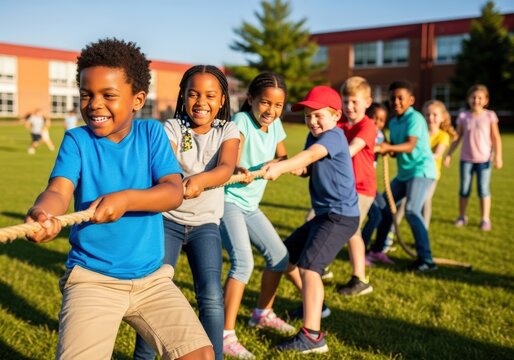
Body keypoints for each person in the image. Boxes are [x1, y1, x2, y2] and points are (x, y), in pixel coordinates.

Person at [24, 38, 213, 360]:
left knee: (199, 355)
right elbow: (58, 190)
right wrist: (43, 212)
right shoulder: (77, 140)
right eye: (87, 95)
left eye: (108, 95)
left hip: (152, 280)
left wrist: (126, 199)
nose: (95, 104)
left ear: (137, 99)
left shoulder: (152, 134)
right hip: (92, 281)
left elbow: (172, 192)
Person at [134, 65, 240, 360]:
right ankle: (143, 357)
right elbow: (163, 163)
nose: (200, 102)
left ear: (222, 100)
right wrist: (176, 184)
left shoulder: (228, 130)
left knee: (211, 297)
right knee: (153, 294)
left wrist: (200, 180)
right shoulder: (172, 128)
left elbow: (226, 168)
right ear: (182, 96)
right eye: (193, 94)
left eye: (209, 95)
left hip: (205, 224)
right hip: (166, 221)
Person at [263, 85, 360, 354]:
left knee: (309, 268)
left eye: (318, 115)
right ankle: (316, 306)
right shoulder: (313, 135)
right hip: (324, 215)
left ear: (335, 116)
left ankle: (313, 337)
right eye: (308, 116)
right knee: (285, 255)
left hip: (340, 216)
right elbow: (307, 166)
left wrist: (283, 166)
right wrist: (289, 168)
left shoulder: (335, 137)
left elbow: (311, 155)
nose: (313, 121)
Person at [220, 72, 294, 359]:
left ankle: (262, 313)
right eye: (265, 103)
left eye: (278, 106)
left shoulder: (274, 127)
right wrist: (237, 168)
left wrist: (282, 166)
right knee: (243, 263)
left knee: (279, 256)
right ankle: (224, 335)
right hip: (229, 202)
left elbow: (284, 157)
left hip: (251, 206)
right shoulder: (241, 122)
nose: (271, 111)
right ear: (250, 99)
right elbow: (232, 155)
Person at [369, 80, 437, 272]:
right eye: (393, 98)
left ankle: (427, 260)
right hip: (405, 173)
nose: (396, 102)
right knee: (384, 208)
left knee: (412, 211)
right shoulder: (394, 121)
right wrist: (386, 147)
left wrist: (387, 147)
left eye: (401, 98)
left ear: (411, 100)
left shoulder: (414, 118)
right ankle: (377, 250)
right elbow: (396, 148)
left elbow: (410, 145)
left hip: (421, 171)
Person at [390, 100, 456, 231]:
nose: (430, 118)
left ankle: (422, 231)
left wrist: (420, 154)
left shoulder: (443, 136)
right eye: (427, 115)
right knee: (401, 203)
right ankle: (392, 232)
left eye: (434, 115)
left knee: (425, 202)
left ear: (442, 117)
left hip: (428, 175)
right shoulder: (419, 130)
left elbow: (437, 154)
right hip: (411, 172)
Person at [336, 76, 375, 296]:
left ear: (367, 102)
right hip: (341, 187)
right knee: (315, 219)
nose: (349, 107)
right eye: (346, 101)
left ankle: (360, 279)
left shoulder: (367, 126)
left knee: (352, 230)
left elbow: (351, 149)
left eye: (355, 102)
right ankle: (319, 267)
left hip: (362, 187)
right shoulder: (340, 124)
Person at [444, 84, 503, 231]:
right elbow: (457, 138)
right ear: (468, 99)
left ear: (485, 100)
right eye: (473, 97)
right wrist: (449, 154)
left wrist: (498, 156)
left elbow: (495, 138)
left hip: (484, 160)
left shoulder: (490, 116)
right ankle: (462, 216)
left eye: (479, 98)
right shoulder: (464, 116)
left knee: (483, 190)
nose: (476, 100)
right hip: (466, 160)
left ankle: (485, 219)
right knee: (464, 189)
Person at [361, 103, 388, 250]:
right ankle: (362, 249)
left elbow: (383, 144)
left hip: (370, 183)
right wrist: (380, 148)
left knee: (385, 210)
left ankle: (378, 248)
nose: (378, 122)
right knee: (376, 215)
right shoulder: (365, 131)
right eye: (374, 118)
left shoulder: (381, 135)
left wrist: (388, 148)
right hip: (360, 184)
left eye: (382, 120)